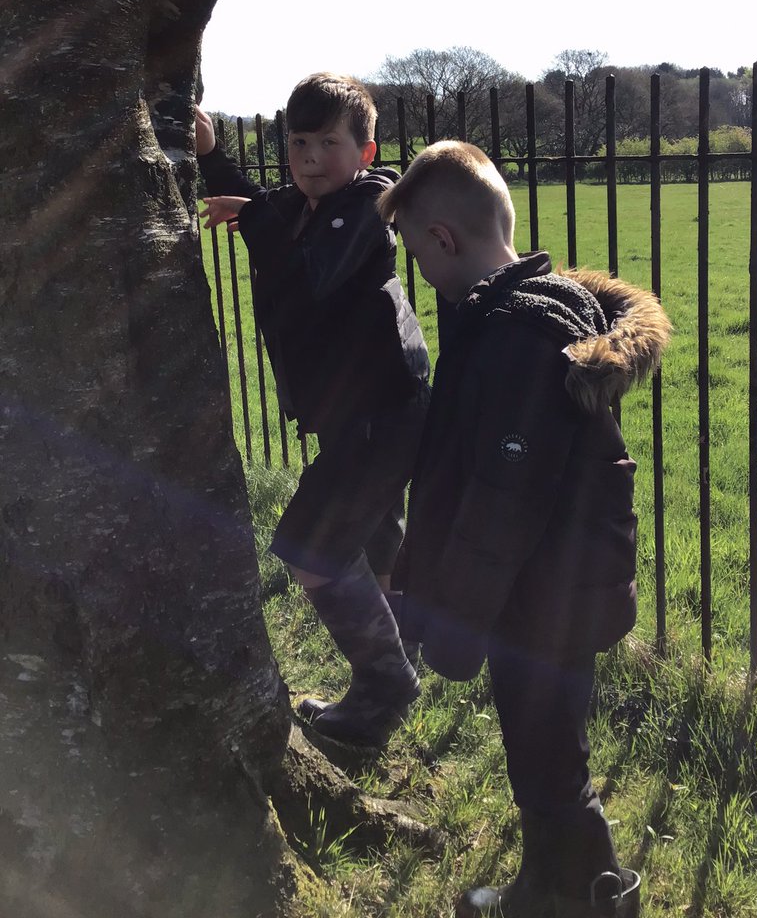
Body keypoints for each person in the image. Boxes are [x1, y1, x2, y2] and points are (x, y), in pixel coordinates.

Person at [377, 141, 671, 918]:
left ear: (442, 239)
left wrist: (455, 624)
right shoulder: (523, 315)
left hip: (539, 591)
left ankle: (588, 893)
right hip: (553, 582)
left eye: (416, 254)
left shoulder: (515, 339)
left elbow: (501, 503)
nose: (419, 272)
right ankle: (562, 886)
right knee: (543, 746)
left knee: (545, 755)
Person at [195, 73, 430, 749]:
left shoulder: (366, 203)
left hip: (383, 414)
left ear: (365, 150)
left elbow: (311, 273)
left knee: (311, 545)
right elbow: (260, 213)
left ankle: (386, 684)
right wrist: (212, 154)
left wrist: (254, 217)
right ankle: (396, 662)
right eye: (299, 142)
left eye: (329, 142)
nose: (310, 157)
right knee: (375, 538)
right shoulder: (302, 204)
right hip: (360, 412)